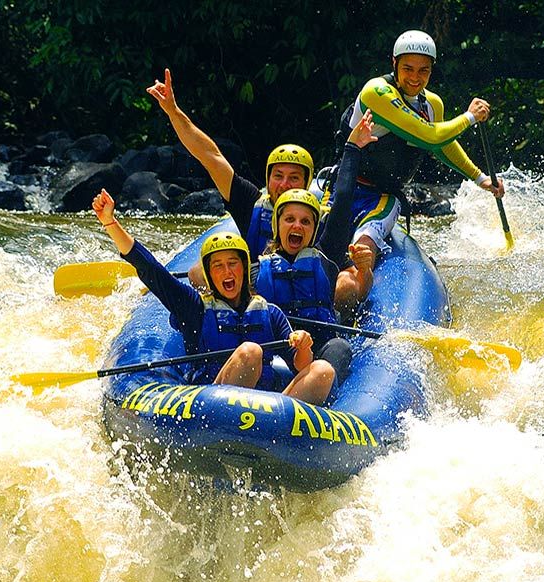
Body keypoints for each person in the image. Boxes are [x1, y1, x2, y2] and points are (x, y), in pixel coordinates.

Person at [92, 189, 334, 405]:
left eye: (233, 264)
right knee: (250, 351)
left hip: (268, 411)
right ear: (208, 274)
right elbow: (152, 271)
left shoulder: (270, 313)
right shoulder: (194, 307)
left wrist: (303, 344)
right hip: (212, 405)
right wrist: (110, 223)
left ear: (244, 269)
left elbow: (301, 365)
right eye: (218, 266)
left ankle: (277, 435)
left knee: (322, 370)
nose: (227, 272)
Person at [337, 29, 506, 264]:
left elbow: (442, 145)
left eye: (423, 70)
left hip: (384, 196)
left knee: (363, 248)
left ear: (431, 70)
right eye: (408, 68)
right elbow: (429, 136)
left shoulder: (432, 104)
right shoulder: (376, 92)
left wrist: (480, 178)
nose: (415, 78)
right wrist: (469, 117)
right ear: (394, 63)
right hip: (344, 188)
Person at [146, 69, 318, 288]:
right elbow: (210, 156)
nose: (284, 185)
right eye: (278, 176)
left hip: (304, 295)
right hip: (257, 291)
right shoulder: (249, 201)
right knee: (198, 273)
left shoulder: (318, 217)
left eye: (293, 178)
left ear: (306, 183)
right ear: (268, 178)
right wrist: (173, 111)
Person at [255, 110, 378, 384]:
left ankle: (317, 401)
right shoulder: (257, 267)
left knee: (341, 347)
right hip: (276, 349)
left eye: (305, 221)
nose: (297, 226)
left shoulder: (326, 255)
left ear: (314, 227)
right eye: (289, 219)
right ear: (277, 225)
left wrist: (352, 148)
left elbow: (344, 198)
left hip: (319, 350)